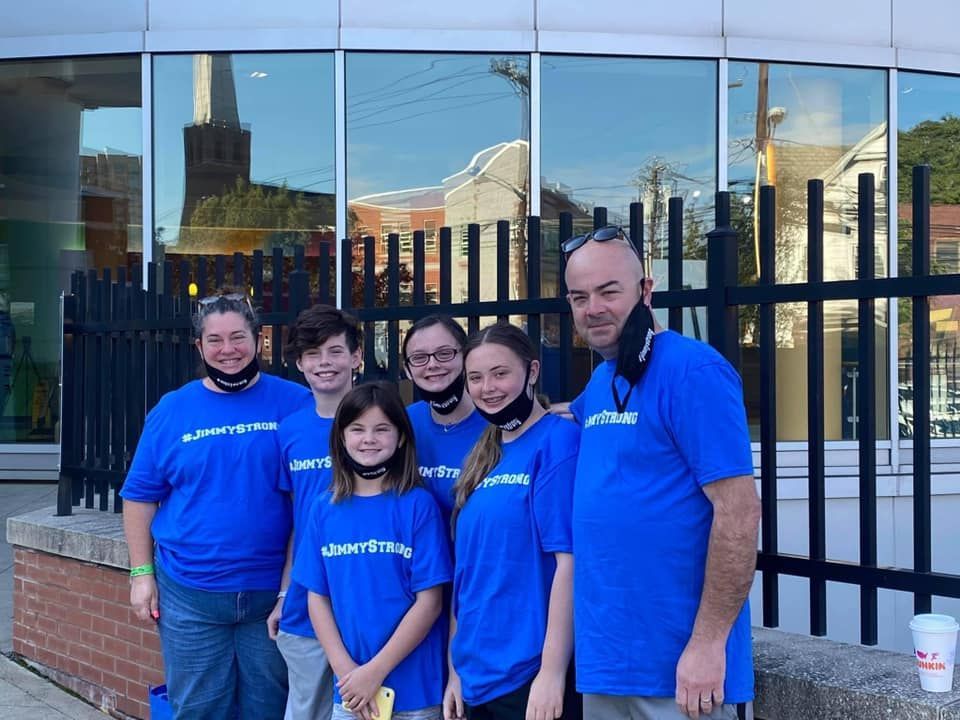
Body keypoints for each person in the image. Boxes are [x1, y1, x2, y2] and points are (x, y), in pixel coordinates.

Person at [562, 226, 761, 720]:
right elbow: (571, 415)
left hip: (680, 669)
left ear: (645, 291)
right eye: (579, 296)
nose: (594, 308)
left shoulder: (693, 371)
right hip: (608, 661)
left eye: (609, 291)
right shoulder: (605, 377)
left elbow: (739, 513)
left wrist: (708, 644)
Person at [120, 289, 312, 720]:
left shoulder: (295, 404)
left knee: (270, 707)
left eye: (238, 337)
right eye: (215, 340)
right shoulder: (172, 410)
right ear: (199, 346)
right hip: (190, 595)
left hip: (272, 596)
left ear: (258, 338)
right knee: (200, 709)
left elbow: (311, 500)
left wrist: (290, 588)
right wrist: (141, 573)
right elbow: (138, 498)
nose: (228, 350)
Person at [443, 323, 580, 720]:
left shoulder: (558, 442)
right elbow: (467, 575)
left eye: (500, 373)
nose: (488, 388)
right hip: (475, 675)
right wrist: (456, 671)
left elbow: (568, 566)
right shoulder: (483, 455)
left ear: (532, 372)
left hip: (529, 674)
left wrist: (552, 673)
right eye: (475, 378)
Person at [293, 381, 452, 720]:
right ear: (341, 437)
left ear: (402, 437)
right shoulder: (324, 508)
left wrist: (375, 671)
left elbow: (430, 601)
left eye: (382, 429)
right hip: (351, 690)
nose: (369, 439)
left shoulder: (417, 506)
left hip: (414, 689)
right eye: (357, 429)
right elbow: (316, 597)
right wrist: (347, 671)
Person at [268, 305, 362, 720]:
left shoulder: (379, 421)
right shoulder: (290, 431)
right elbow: (297, 523)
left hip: (365, 601)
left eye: (335, 351)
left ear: (357, 356)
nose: (324, 363)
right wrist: (285, 595)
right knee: (304, 710)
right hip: (306, 601)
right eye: (313, 354)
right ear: (299, 363)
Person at [403, 315, 487, 525]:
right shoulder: (403, 422)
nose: (432, 364)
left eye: (444, 353)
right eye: (419, 357)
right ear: (407, 370)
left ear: (466, 357)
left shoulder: (496, 423)